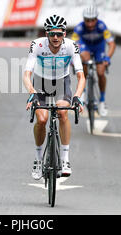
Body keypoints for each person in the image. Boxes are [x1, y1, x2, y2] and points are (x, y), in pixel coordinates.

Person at [23, 15, 85, 180]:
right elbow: (27, 74)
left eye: (59, 34)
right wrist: (32, 92)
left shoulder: (72, 46)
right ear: (46, 34)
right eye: (52, 34)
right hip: (41, 82)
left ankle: (65, 159)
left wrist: (78, 96)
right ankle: (37, 159)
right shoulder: (37, 45)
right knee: (42, 120)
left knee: (63, 112)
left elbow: (81, 76)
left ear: (64, 34)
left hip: (61, 83)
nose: (55, 38)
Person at [72, 2, 116, 117]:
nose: (90, 24)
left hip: (98, 48)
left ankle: (102, 101)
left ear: (97, 19)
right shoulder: (79, 27)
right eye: (87, 20)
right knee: (85, 60)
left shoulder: (102, 26)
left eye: (93, 20)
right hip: (85, 46)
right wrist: (73, 59)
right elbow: (73, 44)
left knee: (101, 72)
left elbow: (111, 44)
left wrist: (107, 57)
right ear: (83, 19)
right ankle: (83, 92)